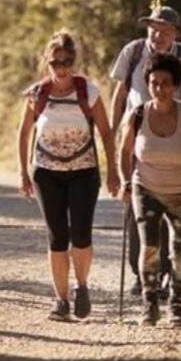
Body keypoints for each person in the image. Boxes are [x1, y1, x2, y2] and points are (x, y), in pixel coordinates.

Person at [17, 30, 120, 320]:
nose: (61, 68)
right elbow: (24, 132)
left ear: (73, 61)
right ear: (47, 63)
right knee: (57, 236)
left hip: (84, 171)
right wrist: (23, 172)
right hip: (46, 173)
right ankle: (60, 300)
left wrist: (113, 171)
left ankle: (82, 285)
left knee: (81, 235)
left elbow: (106, 132)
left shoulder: (89, 91)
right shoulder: (38, 93)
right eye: (55, 62)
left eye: (66, 61)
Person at [108, 5, 181, 301]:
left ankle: (165, 274)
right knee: (138, 212)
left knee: (169, 214)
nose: (157, 33)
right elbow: (120, 95)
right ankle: (143, 278)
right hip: (137, 136)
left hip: (172, 141)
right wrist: (112, 133)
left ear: (176, 33)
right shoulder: (133, 52)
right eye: (153, 27)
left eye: (164, 29)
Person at [117, 51, 181, 326]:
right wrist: (125, 181)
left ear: (175, 85)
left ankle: (176, 305)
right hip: (146, 187)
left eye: (165, 83)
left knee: (179, 250)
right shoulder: (138, 114)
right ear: (147, 84)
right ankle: (149, 306)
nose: (160, 88)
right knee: (149, 247)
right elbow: (125, 153)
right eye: (154, 83)